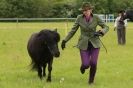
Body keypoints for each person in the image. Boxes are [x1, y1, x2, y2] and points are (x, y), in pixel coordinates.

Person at [61, 2, 109, 84]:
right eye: (84, 10)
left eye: (87, 10)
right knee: (86, 64)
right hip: (83, 44)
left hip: (95, 43)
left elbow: (106, 27)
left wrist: (101, 32)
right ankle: (83, 67)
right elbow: (73, 30)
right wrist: (65, 40)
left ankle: (91, 82)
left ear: (91, 10)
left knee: (93, 63)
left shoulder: (96, 17)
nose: (85, 12)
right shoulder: (79, 18)